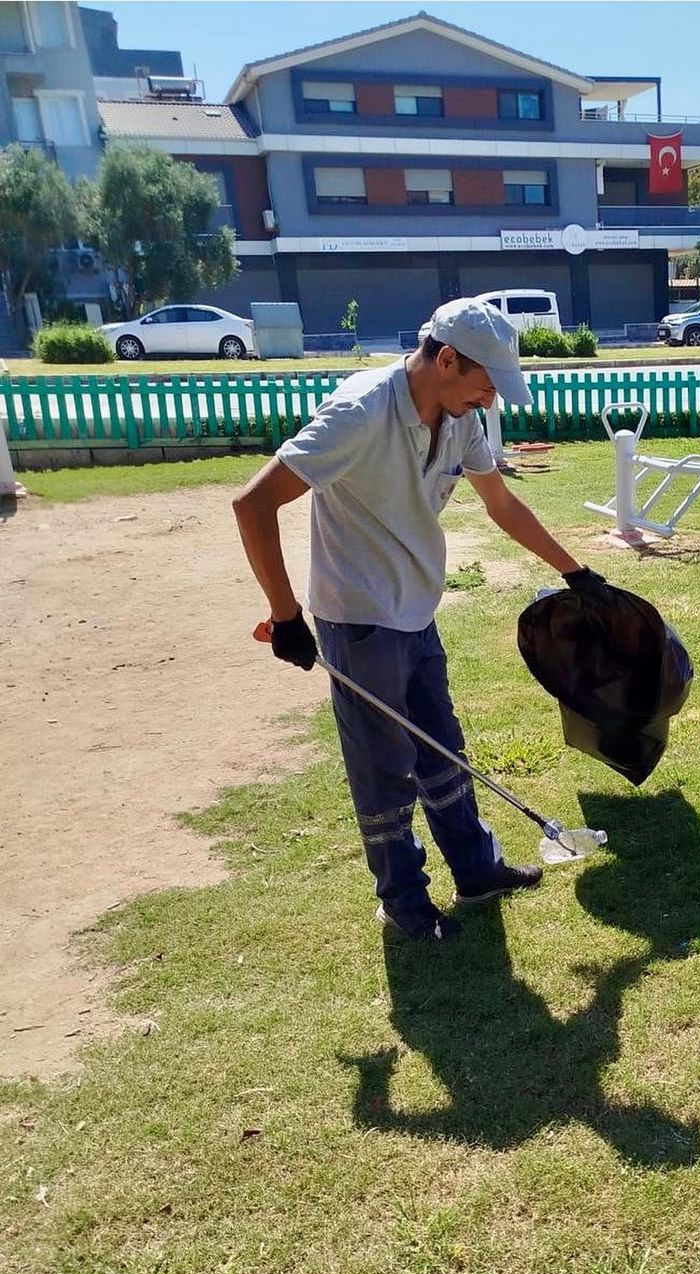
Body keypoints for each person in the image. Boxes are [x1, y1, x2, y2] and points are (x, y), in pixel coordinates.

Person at [233, 296, 605, 944]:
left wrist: (575, 572)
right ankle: (403, 899)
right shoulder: (360, 412)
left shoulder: (460, 417)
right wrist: (286, 616)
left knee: (442, 748)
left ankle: (476, 869)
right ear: (448, 359)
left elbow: (501, 503)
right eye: (486, 384)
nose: (490, 401)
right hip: (358, 618)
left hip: (416, 609)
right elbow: (253, 503)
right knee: (384, 766)